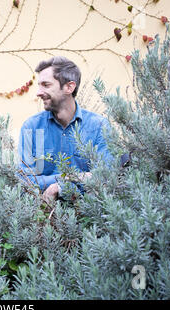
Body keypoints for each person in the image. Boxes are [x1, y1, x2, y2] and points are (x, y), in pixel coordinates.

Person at [18, 56, 113, 202]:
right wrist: (70, 178)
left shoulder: (99, 127)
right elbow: (25, 180)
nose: (38, 92)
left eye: (46, 85)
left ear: (69, 87)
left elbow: (106, 176)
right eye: (39, 85)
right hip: (42, 214)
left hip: (89, 215)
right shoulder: (31, 127)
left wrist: (59, 187)